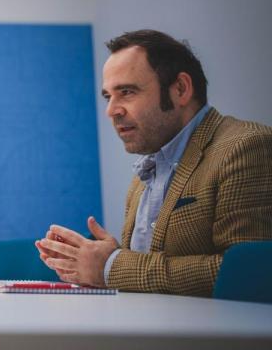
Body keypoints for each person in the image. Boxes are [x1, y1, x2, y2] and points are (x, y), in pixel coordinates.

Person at [35, 30, 272, 296]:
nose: (111, 110)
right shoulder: (144, 174)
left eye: (126, 91)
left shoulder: (246, 146)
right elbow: (144, 274)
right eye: (108, 96)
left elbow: (248, 276)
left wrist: (110, 266)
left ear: (180, 89)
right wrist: (98, 261)